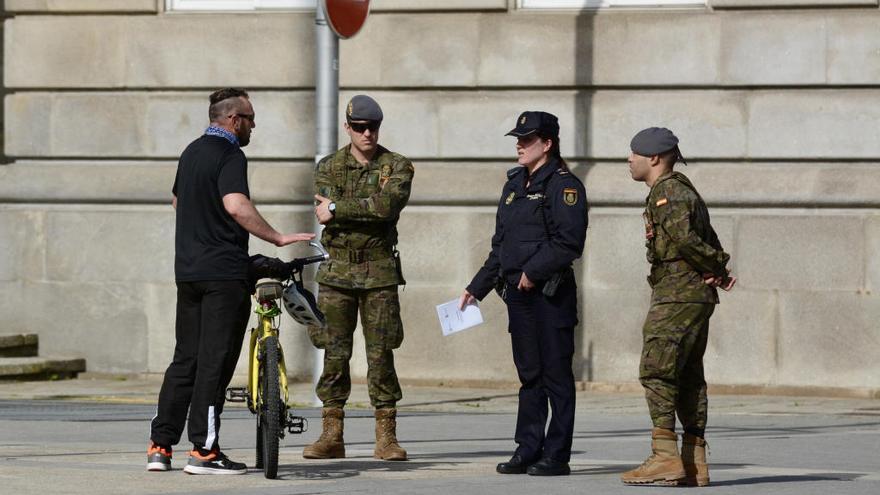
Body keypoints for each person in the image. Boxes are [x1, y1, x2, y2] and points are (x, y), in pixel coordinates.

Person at [147, 88, 315, 475]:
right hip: (223, 274)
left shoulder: (190, 152)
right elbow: (235, 204)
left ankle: (160, 445)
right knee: (214, 363)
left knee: (185, 359)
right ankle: (204, 452)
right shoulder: (229, 154)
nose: (254, 125)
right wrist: (277, 237)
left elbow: (177, 202)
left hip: (188, 271)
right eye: (251, 118)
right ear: (233, 120)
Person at [460, 111, 588, 476]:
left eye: (527, 139)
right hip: (518, 296)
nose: (519, 144)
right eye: (517, 138)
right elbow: (501, 246)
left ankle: (557, 454)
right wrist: (476, 288)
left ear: (547, 144)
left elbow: (569, 243)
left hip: (550, 294)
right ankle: (527, 448)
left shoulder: (565, 186)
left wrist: (534, 271)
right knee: (530, 374)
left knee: (556, 375)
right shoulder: (515, 184)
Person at [620, 127, 736, 487]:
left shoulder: (667, 193)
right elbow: (707, 236)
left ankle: (664, 458)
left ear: (653, 158)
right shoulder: (685, 190)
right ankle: (694, 460)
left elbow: (687, 240)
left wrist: (715, 266)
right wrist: (715, 268)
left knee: (656, 369)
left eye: (634, 154)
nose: (629, 159)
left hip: (677, 293)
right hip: (693, 292)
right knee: (688, 376)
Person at [305, 95, 414, 461]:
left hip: (379, 273)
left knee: (381, 354)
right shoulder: (329, 167)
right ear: (348, 128)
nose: (368, 133)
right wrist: (342, 211)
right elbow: (331, 212)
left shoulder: (396, 165)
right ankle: (331, 434)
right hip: (337, 274)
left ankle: (386, 437)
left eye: (374, 127)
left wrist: (337, 208)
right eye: (361, 128)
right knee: (334, 354)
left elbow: (386, 208)